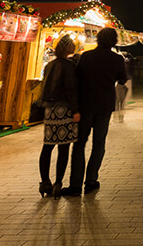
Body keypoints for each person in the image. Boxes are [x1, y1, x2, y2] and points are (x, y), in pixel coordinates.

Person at [61, 27, 128, 197]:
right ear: (114, 41)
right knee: (99, 144)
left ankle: (75, 185)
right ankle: (91, 181)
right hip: (105, 105)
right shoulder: (117, 59)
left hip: (85, 105)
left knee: (79, 144)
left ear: (98, 39)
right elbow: (122, 78)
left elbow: (78, 78)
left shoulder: (86, 57)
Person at [37, 35, 80, 198]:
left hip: (49, 110)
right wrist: (76, 110)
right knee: (64, 147)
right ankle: (58, 183)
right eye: (71, 45)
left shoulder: (49, 65)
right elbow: (71, 89)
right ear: (67, 48)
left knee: (47, 146)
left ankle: (44, 182)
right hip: (65, 110)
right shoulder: (69, 66)